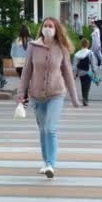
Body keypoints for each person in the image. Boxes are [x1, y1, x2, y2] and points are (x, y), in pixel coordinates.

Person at [17, 17, 80, 179]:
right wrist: (21, 93)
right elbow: (26, 71)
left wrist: (74, 98)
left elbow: (67, 73)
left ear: (56, 29)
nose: (47, 28)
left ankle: (51, 164)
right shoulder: (33, 46)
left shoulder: (61, 48)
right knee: (42, 130)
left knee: (50, 129)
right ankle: (46, 162)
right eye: (45, 26)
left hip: (56, 94)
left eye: (50, 26)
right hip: (36, 95)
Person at [73, 38, 98, 107]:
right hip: (88, 72)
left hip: (80, 73)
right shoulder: (90, 53)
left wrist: (74, 75)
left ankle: (84, 98)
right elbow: (93, 64)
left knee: (83, 85)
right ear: (88, 45)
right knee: (87, 86)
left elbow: (74, 66)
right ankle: (85, 99)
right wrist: (95, 72)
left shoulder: (77, 54)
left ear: (81, 44)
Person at [11, 25, 32, 103]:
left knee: (22, 80)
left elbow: (12, 53)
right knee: (27, 80)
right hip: (28, 64)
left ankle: (24, 96)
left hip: (18, 64)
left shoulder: (15, 41)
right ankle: (25, 96)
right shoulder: (31, 42)